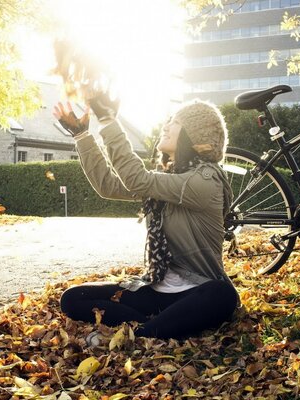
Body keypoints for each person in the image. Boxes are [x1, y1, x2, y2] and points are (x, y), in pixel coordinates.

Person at [53, 93, 239, 340]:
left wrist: (109, 121)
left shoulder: (204, 180)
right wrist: (82, 135)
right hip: (155, 290)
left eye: (174, 122)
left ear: (194, 134)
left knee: (222, 295)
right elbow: (108, 185)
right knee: (73, 298)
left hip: (197, 291)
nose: (166, 126)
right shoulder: (168, 179)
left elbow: (136, 178)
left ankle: (141, 332)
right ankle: (158, 324)